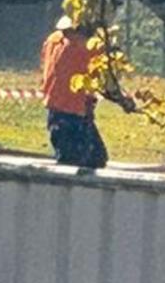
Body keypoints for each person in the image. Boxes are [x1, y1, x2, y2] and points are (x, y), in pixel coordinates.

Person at [39, 14, 116, 168]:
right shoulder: (90, 47)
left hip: (60, 110)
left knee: (90, 158)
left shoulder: (53, 41)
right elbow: (106, 82)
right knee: (86, 160)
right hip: (74, 113)